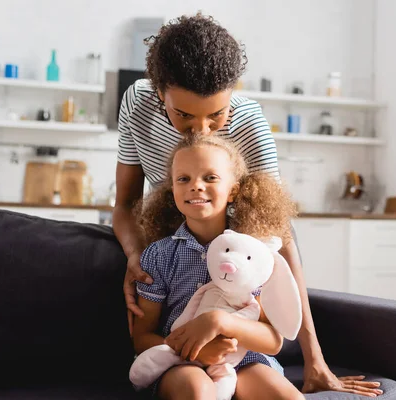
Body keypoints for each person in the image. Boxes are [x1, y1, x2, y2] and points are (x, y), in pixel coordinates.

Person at [113, 13, 382, 397]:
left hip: (236, 250)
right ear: (159, 93)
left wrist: (314, 360)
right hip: (172, 246)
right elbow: (124, 204)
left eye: (216, 115)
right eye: (184, 116)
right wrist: (135, 256)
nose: (201, 133)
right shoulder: (136, 104)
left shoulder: (249, 123)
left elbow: (281, 239)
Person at [133, 134, 303, 399]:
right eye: (184, 179)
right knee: (198, 391)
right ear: (173, 190)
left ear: (233, 190)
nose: (196, 186)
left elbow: (273, 342)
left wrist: (219, 321)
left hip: (245, 361)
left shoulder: (254, 255)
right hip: (180, 362)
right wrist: (194, 350)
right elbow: (141, 336)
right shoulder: (160, 255)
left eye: (210, 178)